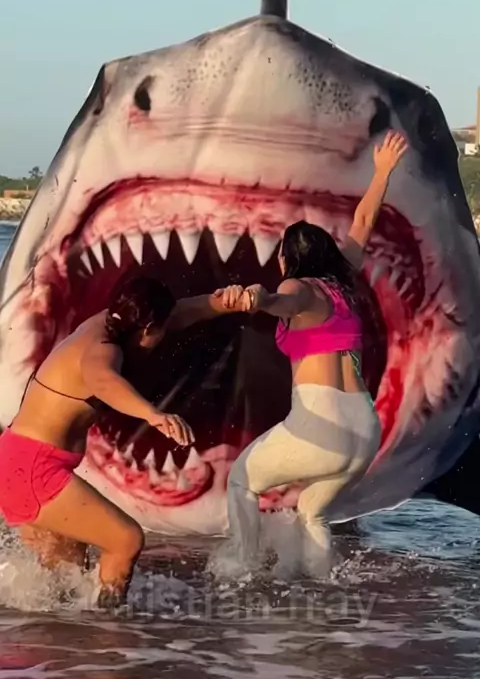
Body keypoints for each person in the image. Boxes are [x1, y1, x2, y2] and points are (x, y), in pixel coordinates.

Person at [212, 130, 409, 579]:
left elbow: (279, 301)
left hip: (321, 426)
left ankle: (239, 571)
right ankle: (326, 588)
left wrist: (257, 298)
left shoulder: (297, 288)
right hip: (364, 430)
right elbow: (363, 220)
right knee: (311, 511)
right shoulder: (343, 282)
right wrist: (382, 171)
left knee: (242, 480)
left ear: (288, 258)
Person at [0, 275, 244, 606]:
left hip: (22, 460)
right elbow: (103, 380)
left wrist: (231, 301)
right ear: (149, 328)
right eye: (162, 329)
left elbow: (187, 311)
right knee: (125, 540)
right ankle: (109, 626)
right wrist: (153, 415)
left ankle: (67, 633)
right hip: (31, 469)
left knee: (63, 585)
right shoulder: (103, 348)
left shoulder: (118, 320)